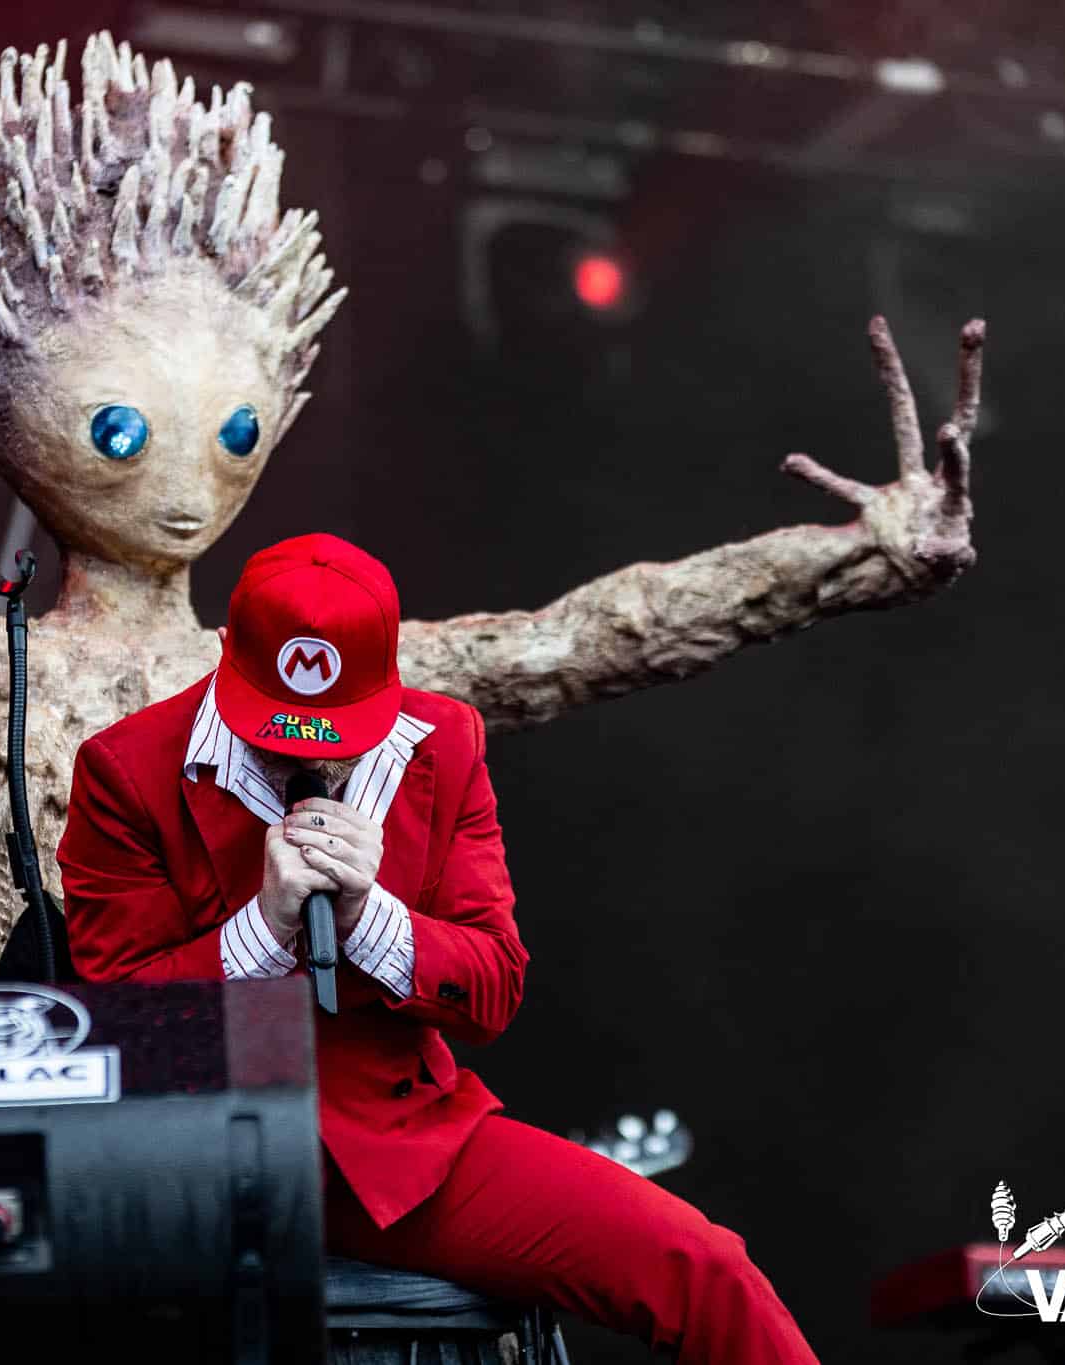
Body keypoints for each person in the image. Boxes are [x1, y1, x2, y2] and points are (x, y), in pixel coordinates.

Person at [57, 532, 818, 1364]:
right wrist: (267, 923)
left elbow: (494, 987)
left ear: (386, 681)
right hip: (197, 1159)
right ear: (225, 651)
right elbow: (116, 1032)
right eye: (275, 734)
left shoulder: (443, 742)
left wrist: (366, 916)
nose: (304, 757)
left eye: (336, 737)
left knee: (705, 1267)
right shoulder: (127, 769)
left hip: (400, 1147)